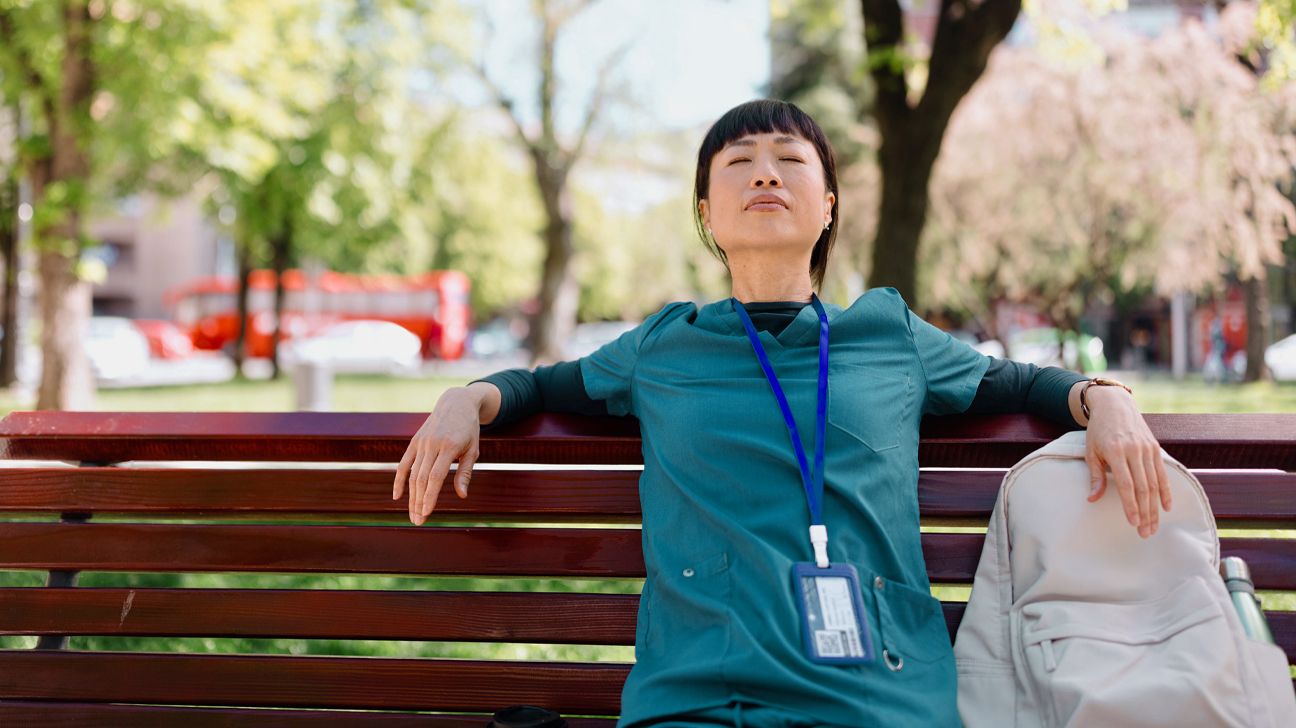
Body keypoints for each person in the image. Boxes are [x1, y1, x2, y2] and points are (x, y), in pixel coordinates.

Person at [393, 100, 1172, 728]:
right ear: (708, 210)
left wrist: (1105, 401)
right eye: (738, 163)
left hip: (879, 692)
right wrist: (466, 399)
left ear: (827, 206)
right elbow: (540, 386)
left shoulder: (889, 334)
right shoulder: (665, 347)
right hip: (700, 692)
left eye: (790, 160)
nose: (764, 174)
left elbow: (1019, 384)